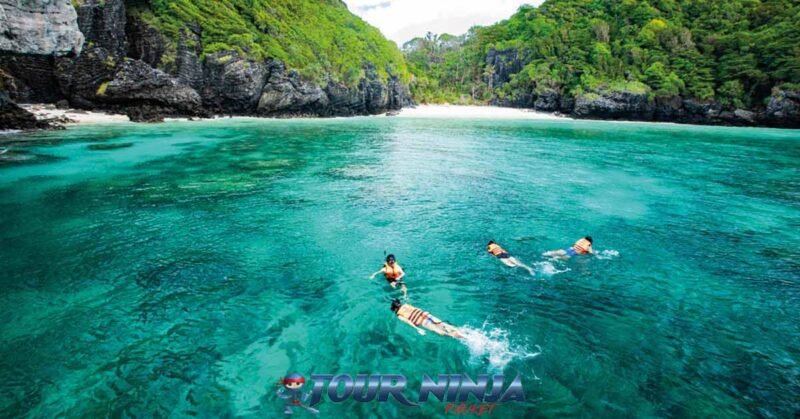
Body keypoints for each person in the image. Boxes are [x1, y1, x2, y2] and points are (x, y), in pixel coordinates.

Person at [391, 299, 464, 339]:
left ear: (395, 309)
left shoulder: (399, 315)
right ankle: (462, 331)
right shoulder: (406, 304)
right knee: (444, 325)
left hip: (423, 322)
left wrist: (418, 329)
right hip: (427, 315)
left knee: (440, 332)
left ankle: (460, 337)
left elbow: (408, 322)